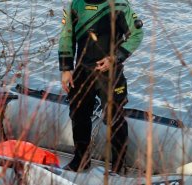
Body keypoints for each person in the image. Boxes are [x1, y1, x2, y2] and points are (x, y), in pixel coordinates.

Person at [58, 0, 144, 172]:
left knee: (114, 118)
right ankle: (81, 160)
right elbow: (66, 36)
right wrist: (66, 69)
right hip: (82, 73)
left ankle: (119, 166)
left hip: (111, 73)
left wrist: (115, 58)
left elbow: (136, 35)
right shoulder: (76, 5)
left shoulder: (119, 5)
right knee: (78, 116)